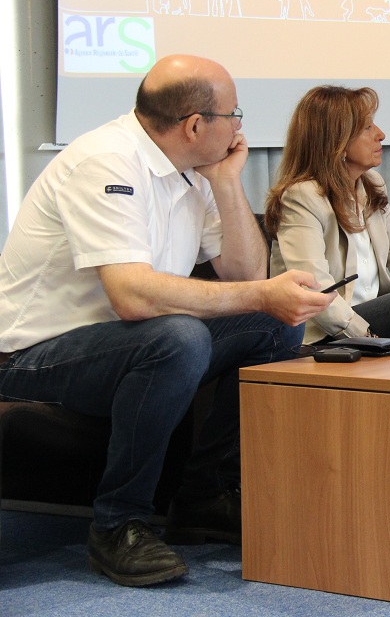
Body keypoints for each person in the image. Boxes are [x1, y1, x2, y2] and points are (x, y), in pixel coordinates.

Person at [0, 55, 335, 587]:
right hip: (31, 356)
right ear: (195, 125)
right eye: (234, 114)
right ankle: (119, 524)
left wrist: (226, 182)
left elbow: (246, 273)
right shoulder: (106, 161)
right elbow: (132, 297)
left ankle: (204, 495)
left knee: (273, 323)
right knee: (177, 337)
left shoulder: (194, 172)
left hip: (121, 344)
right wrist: (259, 292)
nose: (240, 126)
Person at [265, 86, 390, 342]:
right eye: (367, 127)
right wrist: (366, 336)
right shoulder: (301, 197)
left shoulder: (371, 184)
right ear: (338, 142)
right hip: (323, 332)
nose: (381, 135)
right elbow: (314, 289)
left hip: (367, 319)